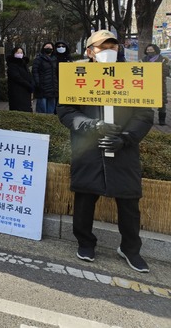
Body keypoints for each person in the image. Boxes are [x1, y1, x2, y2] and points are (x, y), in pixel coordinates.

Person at [58, 30, 154, 273]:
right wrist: (91, 125)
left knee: (129, 202)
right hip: (88, 148)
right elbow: (66, 111)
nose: (109, 50)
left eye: (113, 45)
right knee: (85, 197)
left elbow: (144, 113)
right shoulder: (76, 75)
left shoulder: (133, 75)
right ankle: (85, 242)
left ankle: (130, 249)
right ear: (90, 52)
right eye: (102, 47)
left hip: (123, 148)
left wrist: (126, 137)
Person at [142, 43, 169, 126]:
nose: (149, 51)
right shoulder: (144, 60)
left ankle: (162, 120)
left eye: (151, 50)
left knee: (162, 102)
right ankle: (148, 119)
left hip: (160, 84)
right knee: (147, 102)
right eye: (148, 50)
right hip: (147, 84)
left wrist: (155, 72)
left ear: (156, 50)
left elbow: (166, 72)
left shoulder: (163, 59)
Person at [32, 41, 58, 114]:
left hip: (53, 88)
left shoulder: (55, 59)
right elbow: (35, 71)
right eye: (46, 47)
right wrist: (38, 83)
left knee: (51, 111)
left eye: (50, 47)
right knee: (42, 110)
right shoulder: (38, 59)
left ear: (53, 49)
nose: (48, 49)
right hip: (42, 88)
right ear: (43, 48)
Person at [6, 46, 33, 112]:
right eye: (17, 52)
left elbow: (28, 75)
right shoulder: (12, 65)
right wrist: (28, 85)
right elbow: (17, 77)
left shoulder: (24, 64)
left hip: (26, 92)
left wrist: (31, 83)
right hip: (16, 92)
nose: (19, 54)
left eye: (21, 52)